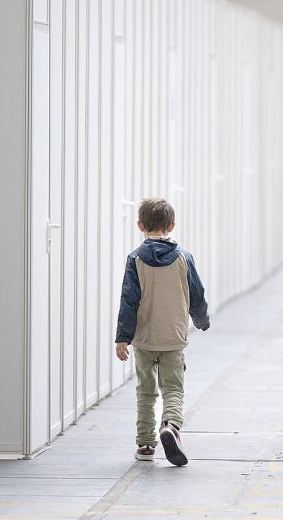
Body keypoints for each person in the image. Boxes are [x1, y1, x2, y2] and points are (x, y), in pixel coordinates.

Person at [114, 198, 210, 467]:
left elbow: (128, 300)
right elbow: (197, 294)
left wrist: (122, 337)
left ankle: (145, 444)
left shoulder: (135, 259)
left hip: (144, 339)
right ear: (172, 225)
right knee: (173, 388)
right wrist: (202, 320)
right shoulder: (183, 257)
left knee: (146, 390)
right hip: (173, 335)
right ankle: (171, 425)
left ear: (140, 225)